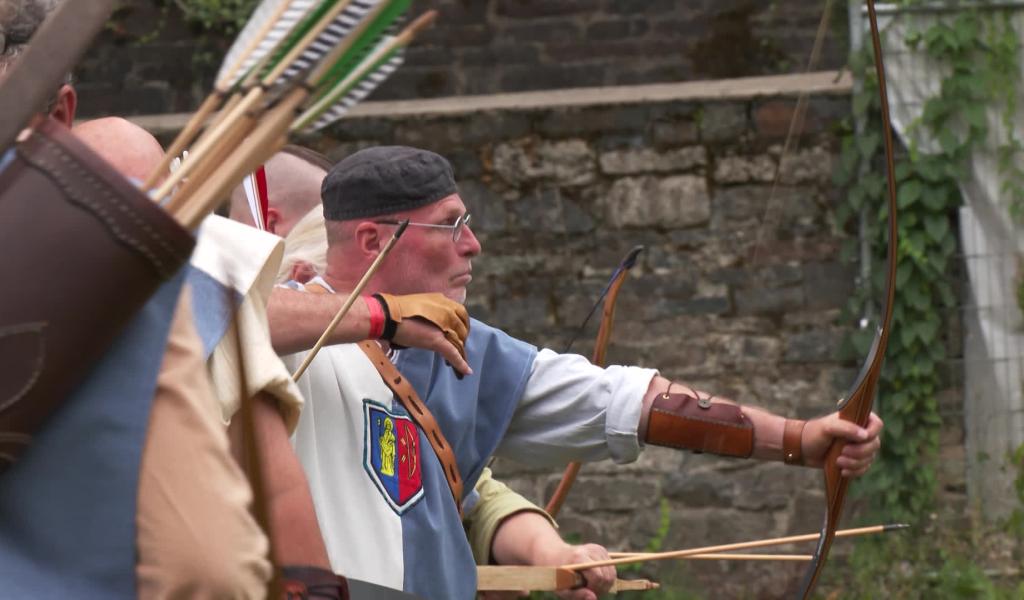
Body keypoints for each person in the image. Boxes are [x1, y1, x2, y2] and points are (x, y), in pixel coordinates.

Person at [270, 145, 884, 599]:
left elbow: (625, 400)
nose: (473, 243)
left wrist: (800, 439)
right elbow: (202, 318)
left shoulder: (466, 349)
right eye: (450, 224)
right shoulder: (283, 334)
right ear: (374, 241)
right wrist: (379, 317)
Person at [232, 147, 618, 600]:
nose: (471, 244)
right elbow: (218, 314)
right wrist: (381, 313)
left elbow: (469, 496)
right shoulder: (234, 336)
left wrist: (549, 552)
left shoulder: (391, 354)